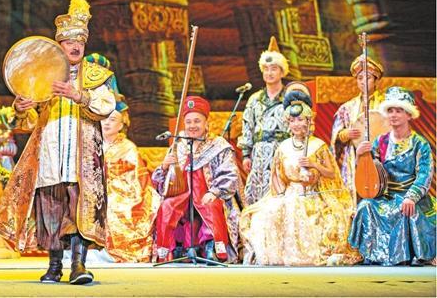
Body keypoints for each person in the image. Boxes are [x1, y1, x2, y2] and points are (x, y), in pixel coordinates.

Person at [0, 0, 116, 285]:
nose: (75, 46)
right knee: (50, 209)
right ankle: (54, 265)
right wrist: (22, 107)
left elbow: (106, 105)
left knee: (79, 208)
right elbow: (31, 119)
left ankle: (79, 265)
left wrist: (79, 95)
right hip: (49, 154)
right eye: (69, 42)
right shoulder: (42, 72)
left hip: (81, 158)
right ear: (59, 45)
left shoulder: (95, 75)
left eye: (80, 41)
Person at [239, 90, 358, 266]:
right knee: (265, 214)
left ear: (308, 121)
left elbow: (332, 173)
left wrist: (314, 165)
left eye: (300, 119)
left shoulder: (318, 145)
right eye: (292, 120)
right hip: (289, 193)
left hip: (313, 193)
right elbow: (277, 178)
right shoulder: (283, 147)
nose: (296, 124)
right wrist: (280, 194)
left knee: (303, 211)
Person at [348, 86, 436, 266]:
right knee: (365, 206)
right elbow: (370, 173)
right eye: (390, 111)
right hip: (386, 196)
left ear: (409, 115)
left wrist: (411, 197)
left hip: (411, 197)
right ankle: (369, 254)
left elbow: (424, 175)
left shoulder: (420, 144)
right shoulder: (380, 141)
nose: (393, 115)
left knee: (406, 210)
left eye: (399, 110)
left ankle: (405, 256)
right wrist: (360, 156)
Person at [152, 96, 241, 263]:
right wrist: (164, 167)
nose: (192, 125)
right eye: (189, 122)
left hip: (207, 193)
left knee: (210, 205)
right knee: (167, 206)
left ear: (206, 123)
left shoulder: (218, 145)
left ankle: (211, 248)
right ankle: (170, 251)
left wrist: (215, 192)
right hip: (182, 194)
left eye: (197, 121)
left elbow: (230, 175)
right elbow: (160, 183)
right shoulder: (178, 145)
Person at [101, 94, 161, 263]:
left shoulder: (127, 147)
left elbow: (136, 179)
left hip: (123, 191)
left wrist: (112, 186)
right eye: (104, 118)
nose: (107, 123)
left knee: (114, 205)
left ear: (121, 125)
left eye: (112, 119)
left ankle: (116, 250)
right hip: (95, 189)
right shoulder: (91, 144)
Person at [238, 36, 290, 206]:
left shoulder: (290, 97)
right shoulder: (255, 99)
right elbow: (247, 127)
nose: (269, 73)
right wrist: (246, 154)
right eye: (266, 69)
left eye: (274, 69)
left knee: (280, 193)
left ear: (282, 71)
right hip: (259, 153)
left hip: (282, 151)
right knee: (258, 194)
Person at [330, 55, 386, 198]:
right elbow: (336, 136)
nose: (363, 82)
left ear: (376, 80)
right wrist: (345, 134)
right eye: (359, 78)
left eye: (368, 78)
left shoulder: (386, 105)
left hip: (382, 157)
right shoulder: (347, 108)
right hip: (355, 158)